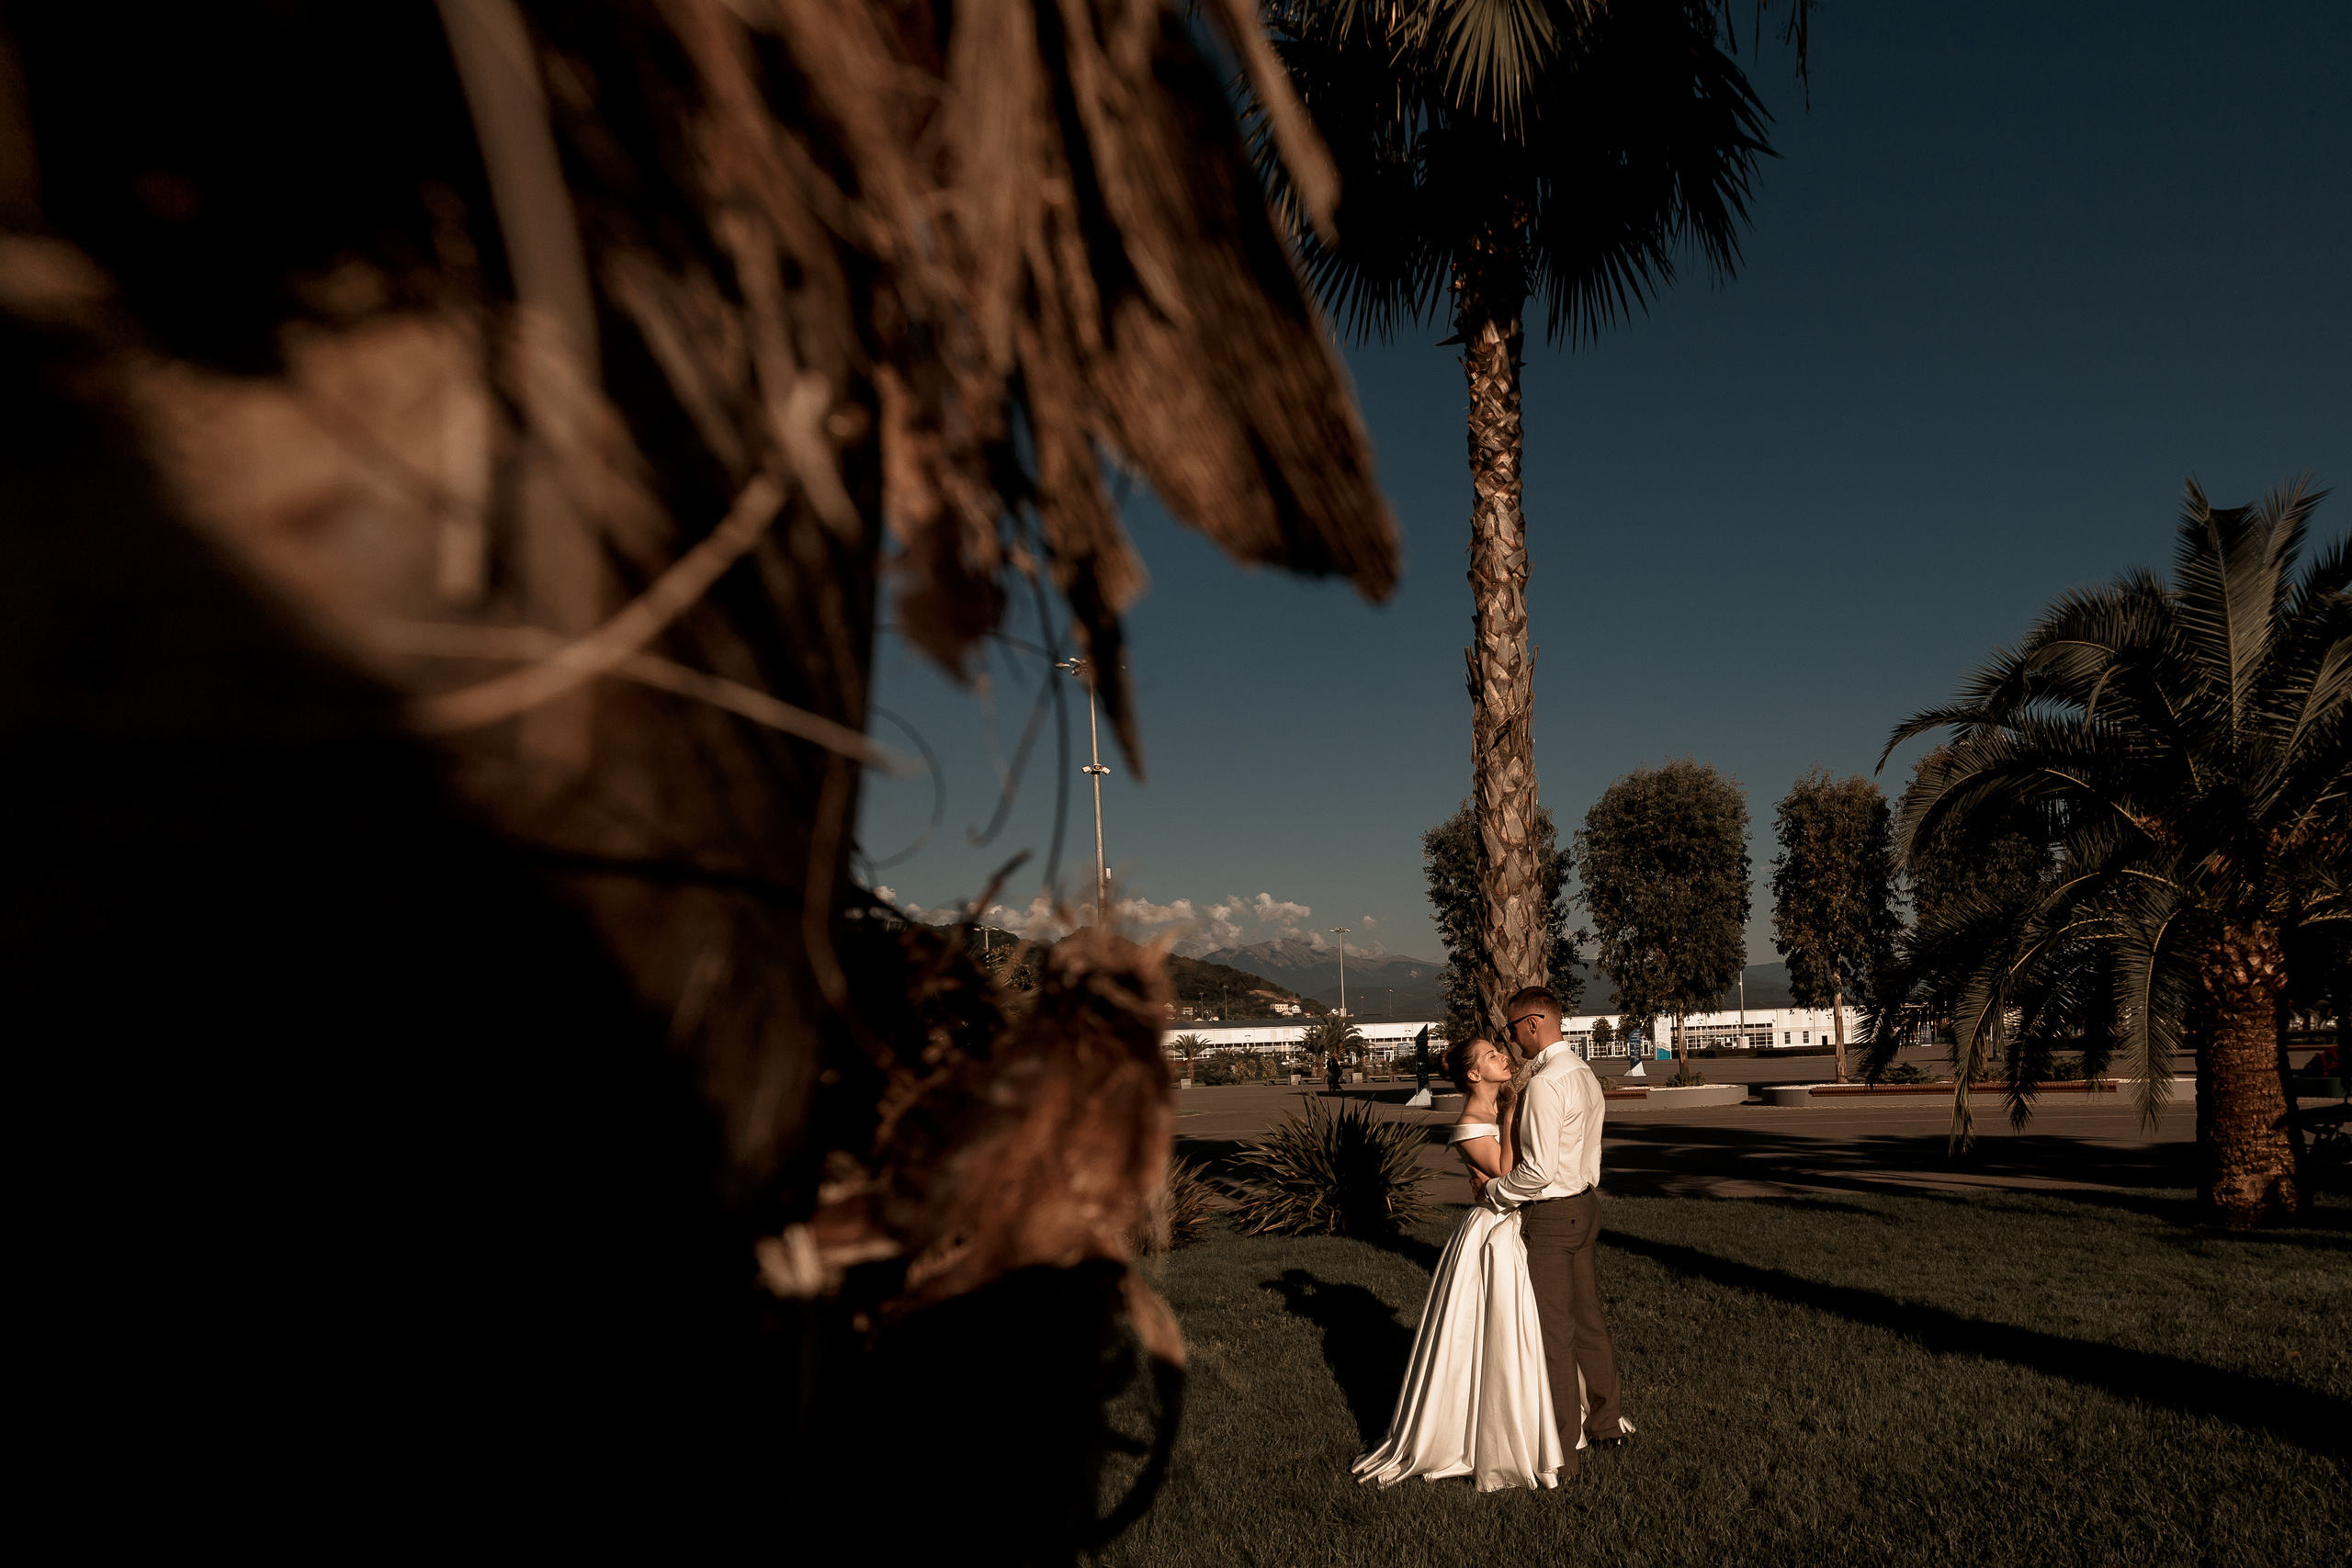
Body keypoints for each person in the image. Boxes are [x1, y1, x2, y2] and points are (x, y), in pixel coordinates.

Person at [1353, 1036, 1565, 1491]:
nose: (1503, 1058)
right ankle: (1484, 1432)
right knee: (1493, 1324)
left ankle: (1539, 1418)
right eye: (1492, 1056)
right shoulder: (1471, 1123)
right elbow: (1508, 1173)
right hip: (1492, 1231)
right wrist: (1509, 1118)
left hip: (1520, 1221)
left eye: (1499, 1052)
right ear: (1473, 1074)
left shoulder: (1505, 1107)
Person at [1475, 986, 1635, 1473]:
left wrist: (1497, 1193)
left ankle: (1563, 1452)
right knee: (1589, 1322)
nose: (1509, 1038)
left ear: (1534, 1023)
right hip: (1586, 1206)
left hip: (1553, 1215)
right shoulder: (1582, 1072)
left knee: (1556, 1335)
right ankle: (1606, 1423)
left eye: (1510, 1028)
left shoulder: (1546, 1082)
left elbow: (1539, 1170)